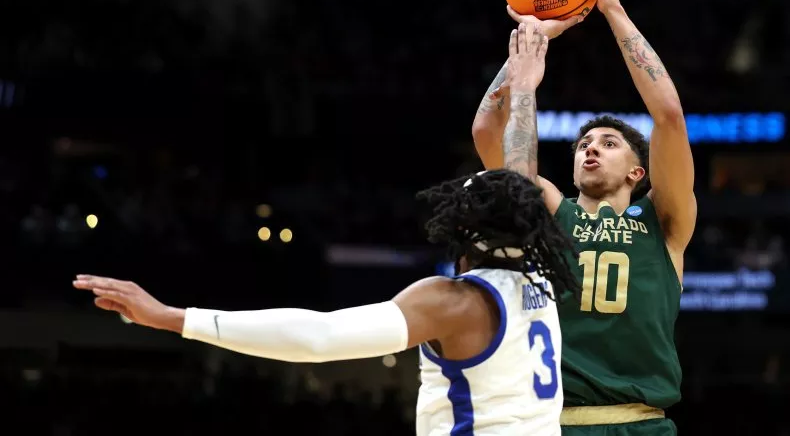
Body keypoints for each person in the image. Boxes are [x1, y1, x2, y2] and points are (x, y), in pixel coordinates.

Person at [74, 149, 581, 434]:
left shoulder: (453, 302)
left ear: (463, 229)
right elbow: (518, 183)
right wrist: (523, 80)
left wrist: (173, 317)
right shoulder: (541, 276)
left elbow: (319, 336)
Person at [471, 0, 695, 436]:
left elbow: (670, 116)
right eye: (583, 144)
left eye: (609, 143)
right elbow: (488, 131)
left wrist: (612, 8)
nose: (590, 149)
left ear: (639, 172)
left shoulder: (665, 222)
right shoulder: (555, 212)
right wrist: (526, 64)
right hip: (552, 423)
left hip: (641, 424)